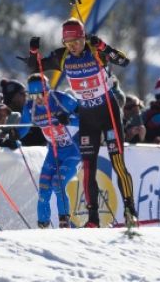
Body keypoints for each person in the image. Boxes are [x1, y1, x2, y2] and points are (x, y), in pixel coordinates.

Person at [25, 19, 137, 228]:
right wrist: (33, 51)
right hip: (88, 118)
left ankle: (130, 210)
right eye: (68, 43)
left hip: (108, 114)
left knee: (117, 163)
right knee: (87, 168)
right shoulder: (63, 57)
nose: (73, 47)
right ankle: (93, 219)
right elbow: (35, 66)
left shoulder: (95, 50)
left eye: (76, 42)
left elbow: (124, 61)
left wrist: (104, 47)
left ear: (83, 38)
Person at [27, 73, 81, 228]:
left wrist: (69, 119)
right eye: (33, 96)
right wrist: (13, 135)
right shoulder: (31, 107)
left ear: (48, 90)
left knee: (58, 183)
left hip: (73, 150)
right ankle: (43, 224)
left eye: (40, 94)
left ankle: (64, 220)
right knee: (44, 187)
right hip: (54, 150)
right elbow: (22, 128)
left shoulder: (61, 99)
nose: (37, 99)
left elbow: (85, 116)